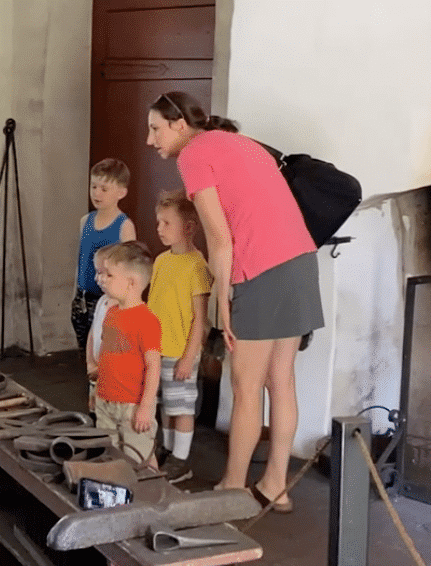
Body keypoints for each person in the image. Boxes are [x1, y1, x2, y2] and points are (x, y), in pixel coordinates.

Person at [146, 91, 323, 512]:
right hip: (301, 261)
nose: (150, 139)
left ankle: (232, 487)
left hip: (260, 271)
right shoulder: (240, 142)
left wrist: (221, 301)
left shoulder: (194, 154)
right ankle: (276, 484)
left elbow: (221, 240)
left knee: (246, 388)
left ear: (177, 124)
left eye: (154, 128)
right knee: (282, 381)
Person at [146, 193, 211, 483]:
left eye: (166, 222)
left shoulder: (196, 265)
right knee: (164, 405)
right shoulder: (160, 261)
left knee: (181, 406)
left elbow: (200, 317)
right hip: (156, 350)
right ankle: (168, 450)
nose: (159, 227)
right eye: (158, 221)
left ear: (188, 227)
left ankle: (182, 461)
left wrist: (188, 356)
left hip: (180, 350)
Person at [93, 241, 162, 469]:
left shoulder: (147, 321)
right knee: (110, 455)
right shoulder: (111, 313)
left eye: (110, 275)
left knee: (140, 457)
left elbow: (153, 366)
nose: (104, 279)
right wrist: (97, 390)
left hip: (132, 405)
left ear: (131, 283)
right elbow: (106, 354)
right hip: (106, 400)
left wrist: (145, 407)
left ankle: (155, 495)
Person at [71, 158, 136, 352]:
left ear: (121, 192)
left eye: (104, 189)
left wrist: (122, 301)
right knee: (85, 351)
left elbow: (130, 269)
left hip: (108, 299)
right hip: (82, 298)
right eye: (94, 186)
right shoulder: (85, 221)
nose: (97, 193)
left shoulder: (124, 226)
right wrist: (75, 292)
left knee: (104, 351)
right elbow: (81, 260)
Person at [84, 245, 118, 415]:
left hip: (112, 378)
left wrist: (103, 369)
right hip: (96, 373)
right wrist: (90, 362)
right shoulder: (102, 301)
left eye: (104, 273)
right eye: (97, 272)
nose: (98, 278)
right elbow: (93, 333)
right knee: (94, 411)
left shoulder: (122, 309)